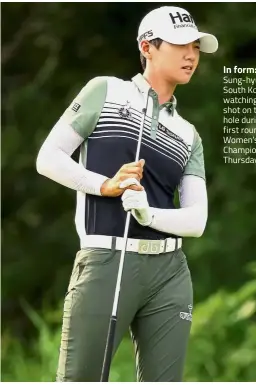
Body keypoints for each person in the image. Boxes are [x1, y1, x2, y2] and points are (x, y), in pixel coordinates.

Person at [36, 5, 218, 382]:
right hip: (107, 259)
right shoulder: (106, 91)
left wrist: (150, 215)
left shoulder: (188, 134)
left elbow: (196, 220)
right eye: (181, 44)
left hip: (170, 272)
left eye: (196, 47)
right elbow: (48, 158)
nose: (191, 55)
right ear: (148, 47)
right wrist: (103, 185)